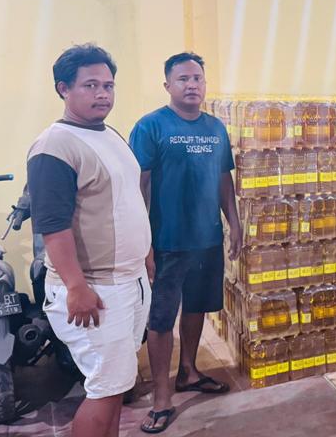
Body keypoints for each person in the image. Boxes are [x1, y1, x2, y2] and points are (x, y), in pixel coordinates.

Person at [27, 45, 152, 437]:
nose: (103, 94)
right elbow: (52, 225)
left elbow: (127, 200)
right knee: (103, 387)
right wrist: (75, 286)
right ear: (63, 89)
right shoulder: (54, 146)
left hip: (127, 281)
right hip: (94, 289)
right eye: (91, 85)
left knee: (115, 386)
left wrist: (145, 255)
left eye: (109, 85)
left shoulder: (108, 134)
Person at [129, 53, 241, 434]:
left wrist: (234, 223)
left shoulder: (216, 128)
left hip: (206, 239)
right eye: (183, 79)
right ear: (167, 86)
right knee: (161, 319)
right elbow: (137, 188)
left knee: (197, 308)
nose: (192, 85)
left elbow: (224, 179)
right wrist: (143, 243)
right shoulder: (150, 127)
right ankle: (162, 398)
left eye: (197, 78)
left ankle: (189, 372)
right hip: (166, 242)